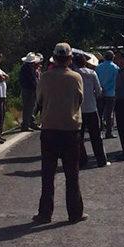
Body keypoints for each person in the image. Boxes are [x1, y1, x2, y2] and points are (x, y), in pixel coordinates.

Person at [33, 42, 87, 225]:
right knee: (72, 174)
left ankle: (45, 213)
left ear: (54, 58)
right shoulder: (76, 77)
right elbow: (79, 100)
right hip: (70, 130)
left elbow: (39, 99)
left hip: (49, 129)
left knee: (48, 174)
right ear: (70, 59)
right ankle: (75, 213)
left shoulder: (45, 78)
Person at [73, 53, 107, 168]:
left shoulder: (73, 75)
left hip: (78, 110)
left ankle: (81, 161)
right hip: (91, 108)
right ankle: (101, 160)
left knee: (79, 137)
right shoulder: (92, 73)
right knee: (96, 136)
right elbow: (98, 92)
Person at [95, 51, 118, 139]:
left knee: (99, 113)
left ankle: (99, 131)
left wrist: (101, 88)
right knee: (109, 114)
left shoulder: (98, 67)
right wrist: (107, 88)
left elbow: (96, 79)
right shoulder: (115, 68)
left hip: (100, 92)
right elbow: (115, 81)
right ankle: (109, 132)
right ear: (112, 57)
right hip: (111, 93)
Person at [19, 52, 42, 131]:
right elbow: (33, 81)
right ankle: (25, 125)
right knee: (29, 107)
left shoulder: (24, 68)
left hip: (26, 89)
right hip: (29, 90)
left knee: (31, 107)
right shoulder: (29, 69)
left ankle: (31, 122)